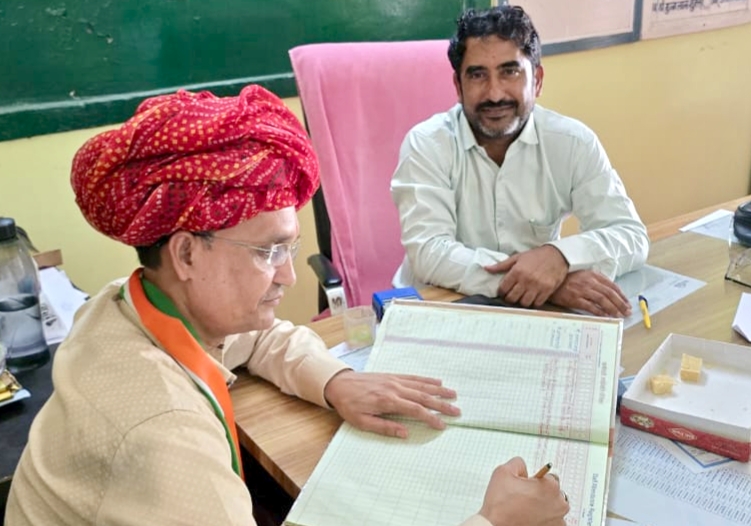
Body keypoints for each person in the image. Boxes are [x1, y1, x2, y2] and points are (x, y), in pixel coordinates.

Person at [5, 85, 568, 526]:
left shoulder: (128, 304)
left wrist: (335, 381)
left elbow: (259, 336)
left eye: (290, 248)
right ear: (186, 253)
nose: (288, 275)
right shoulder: (163, 432)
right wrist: (493, 521)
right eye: (268, 251)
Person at [391, 5, 649, 318]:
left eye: (509, 71)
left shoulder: (572, 143)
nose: (494, 93)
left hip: (535, 313)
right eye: (478, 75)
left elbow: (630, 236)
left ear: (537, 80)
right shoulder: (427, 144)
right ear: (458, 87)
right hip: (439, 306)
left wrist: (560, 256)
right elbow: (430, 252)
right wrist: (545, 282)